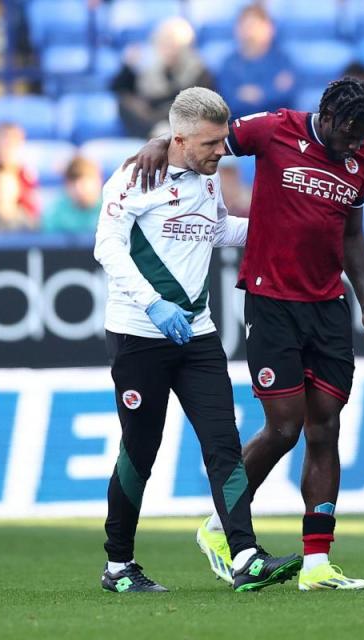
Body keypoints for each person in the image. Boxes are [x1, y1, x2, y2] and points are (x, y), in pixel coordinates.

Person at [126, 77, 364, 591]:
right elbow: (210, 142)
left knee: (325, 427)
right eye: (350, 132)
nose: (355, 143)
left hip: (328, 307)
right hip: (271, 303)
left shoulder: (362, 159)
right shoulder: (275, 130)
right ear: (328, 116)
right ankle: (220, 524)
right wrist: (164, 141)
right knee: (286, 426)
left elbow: (351, 233)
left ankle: (316, 565)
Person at [94, 87, 301, 593]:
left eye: (222, 140)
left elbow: (215, 231)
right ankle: (118, 564)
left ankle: (245, 554)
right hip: (139, 334)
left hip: (198, 333)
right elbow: (107, 247)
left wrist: (281, 228)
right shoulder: (134, 176)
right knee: (140, 449)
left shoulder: (207, 179)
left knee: (223, 443)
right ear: (180, 140)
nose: (220, 151)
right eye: (210, 143)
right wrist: (152, 304)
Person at [111, 16, 213, 138]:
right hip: (150, 121)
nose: (170, 48)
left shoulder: (199, 70)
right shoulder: (146, 69)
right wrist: (127, 67)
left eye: (175, 43)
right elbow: (118, 88)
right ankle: (159, 132)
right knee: (125, 103)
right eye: (165, 42)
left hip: (180, 120)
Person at [215, 5, 296, 119]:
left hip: (276, 130)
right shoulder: (228, 64)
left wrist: (258, 94)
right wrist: (268, 91)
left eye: (254, 26)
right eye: (245, 26)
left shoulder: (283, 61)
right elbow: (227, 101)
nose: (250, 33)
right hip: (237, 130)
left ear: (269, 29)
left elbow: (286, 96)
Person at [41, 156, 103, 233]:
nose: (79, 189)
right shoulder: (56, 213)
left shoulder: (112, 209)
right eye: (73, 183)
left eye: (84, 182)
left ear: (98, 181)